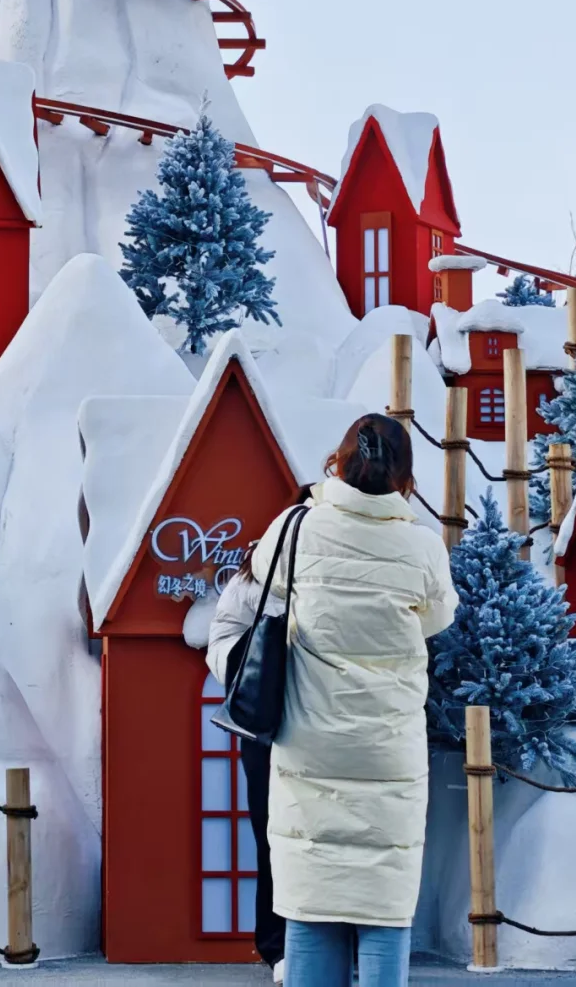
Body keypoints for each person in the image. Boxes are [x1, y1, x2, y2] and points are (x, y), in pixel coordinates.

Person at [250, 413, 457, 987]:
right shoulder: (421, 548)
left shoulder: (296, 529)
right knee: (384, 912)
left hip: (308, 753)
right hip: (388, 757)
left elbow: (262, 580)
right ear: (406, 478)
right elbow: (436, 620)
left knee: (311, 910)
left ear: (338, 464)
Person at [207, 483, 316, 983]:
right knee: (274, 834)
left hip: (324, 723)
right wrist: (253, 661)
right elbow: (222, 633)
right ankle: (277, 947)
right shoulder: (260, 570)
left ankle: (324, 942)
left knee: (325, 836)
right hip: (269, 727)